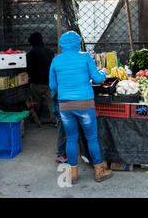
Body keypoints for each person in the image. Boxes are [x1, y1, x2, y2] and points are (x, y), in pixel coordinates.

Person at [49, 31, 113, 184]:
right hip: (85, 104)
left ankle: (72, 175)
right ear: (79, 43)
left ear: (61, 44)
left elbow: (53, 86)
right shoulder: (85, 57)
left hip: (65, 106)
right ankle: (99, 172)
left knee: (71, 139)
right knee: (91, 138)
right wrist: (104, 71)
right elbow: (97, 79)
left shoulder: (56, 61)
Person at [27, 32, 55, 124]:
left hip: (37, 83)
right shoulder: (50, 52)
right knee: (51, 102)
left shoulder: (31, 53)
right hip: (49, 82)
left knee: (36, 100)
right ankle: (54, 119)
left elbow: (29, 69)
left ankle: (36, 118)